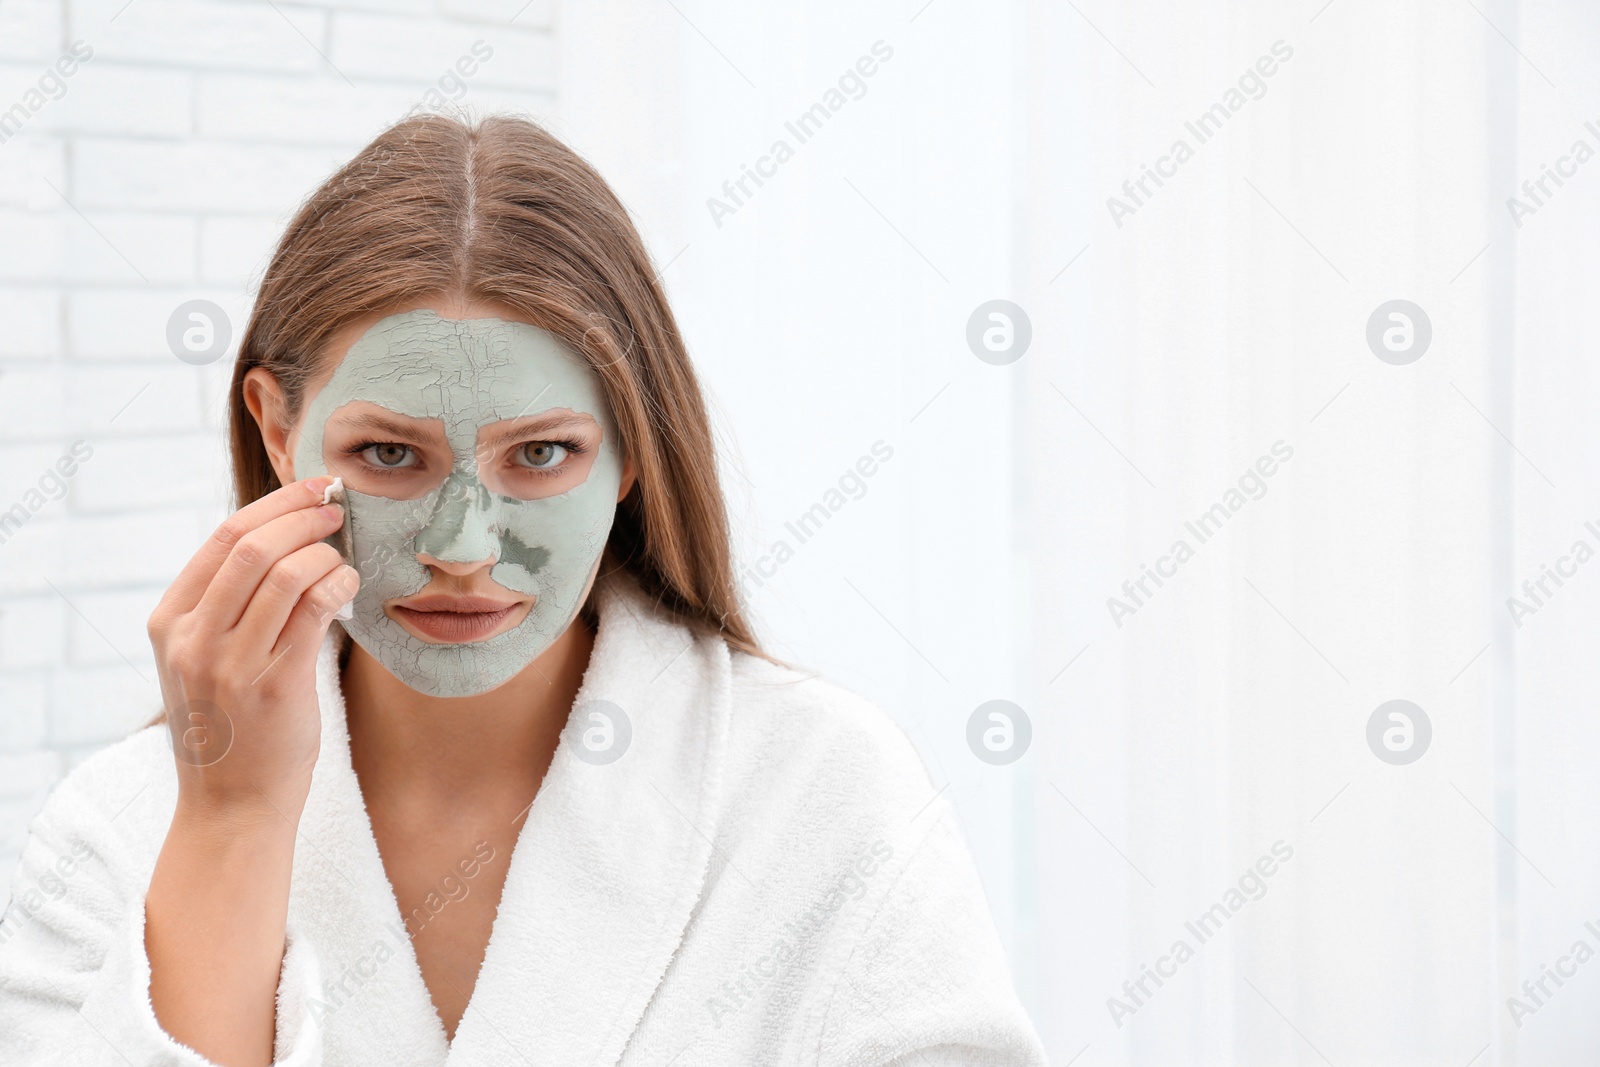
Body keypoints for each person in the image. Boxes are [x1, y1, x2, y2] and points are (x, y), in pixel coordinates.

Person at [0, 113, 1045, 1067]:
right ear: (280, 434)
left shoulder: (826, 794)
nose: (461, 546)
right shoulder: (117, 828)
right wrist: (232, 815)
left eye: (541, 452)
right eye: (387, 453)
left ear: (631, 449)